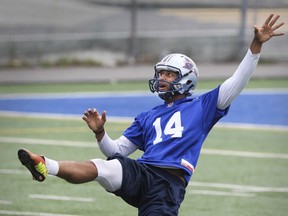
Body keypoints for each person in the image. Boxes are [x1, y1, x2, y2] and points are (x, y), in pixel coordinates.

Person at [18, 14, 284, 216]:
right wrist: (100, 133)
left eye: (169, 74)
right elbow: (117, 151)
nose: (162, 79)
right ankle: (45, 165)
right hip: (142, 172)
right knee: (103, 166)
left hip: (168, 185)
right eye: (161, 73)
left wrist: (255, 45)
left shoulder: (203, 107)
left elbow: (238, 80)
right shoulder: (148, 116)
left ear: (186, 79)